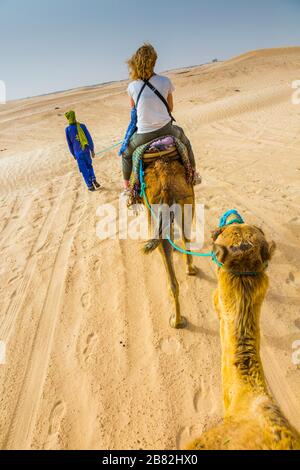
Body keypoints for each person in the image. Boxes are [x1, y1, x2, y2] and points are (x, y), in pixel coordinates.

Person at [121, 43, 198, 192]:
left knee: (126, 154)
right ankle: (193, 173)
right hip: (167, 130)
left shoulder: (132, 87)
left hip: (143, 134)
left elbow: (134, 111)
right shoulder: (165, 81)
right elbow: (170, 108)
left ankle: (127, 188)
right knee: (186, 143)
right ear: (154, 61)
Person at [65, 111, 101, 192]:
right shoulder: (82, 126)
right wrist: (92, 149)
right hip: (86, 150)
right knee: (89, 165)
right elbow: (89, 138)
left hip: (77, 153)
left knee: (83, 169)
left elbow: (69, 144)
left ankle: (90, 186)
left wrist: (73, 154)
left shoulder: (67, 130)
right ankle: (93, 178)